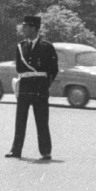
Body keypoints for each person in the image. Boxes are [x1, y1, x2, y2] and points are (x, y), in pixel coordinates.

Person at [8, 14, 58, 161]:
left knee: (42, 121)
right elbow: (19, 68)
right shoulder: (20, 47)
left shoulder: (47, 47)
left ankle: (45, 151)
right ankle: (15, 150)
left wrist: (45, 84)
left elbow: (53, 69)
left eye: (26, 26)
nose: (23, 29)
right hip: (24, 87)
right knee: (20, 120)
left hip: (40, 88)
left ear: (34, 28)